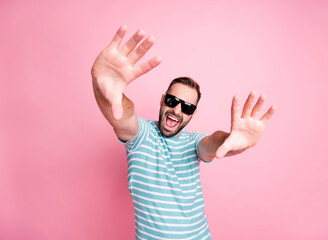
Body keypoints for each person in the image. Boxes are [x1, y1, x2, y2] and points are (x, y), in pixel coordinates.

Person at [91, 25, 276, 240]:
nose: (177, 110)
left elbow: (212, 143)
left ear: (192, 114)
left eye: (187, 107)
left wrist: (234, 141)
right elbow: (122, 115)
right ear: (163, 100)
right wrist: (102, 85)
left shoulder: (194, 143)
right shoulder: (141, 136)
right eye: (172, 101)